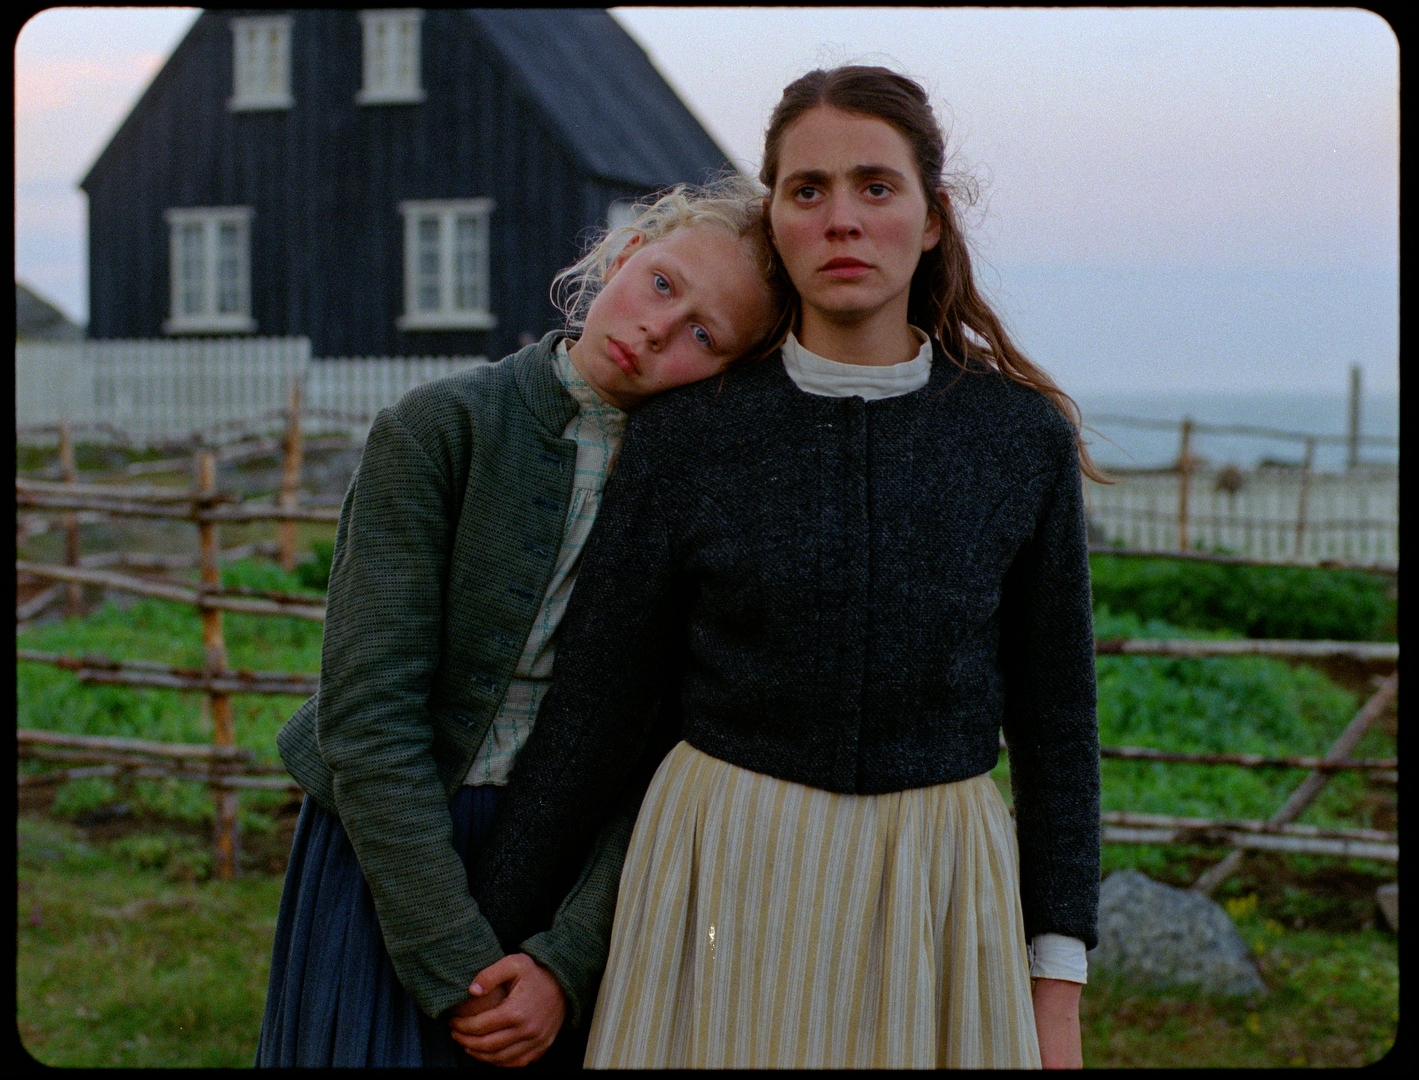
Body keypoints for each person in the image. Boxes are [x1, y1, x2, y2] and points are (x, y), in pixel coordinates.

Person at [471, 66, 1105, 1069]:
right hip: (718, 867)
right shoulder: (689, 438)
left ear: (933, 218)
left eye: (875, 187)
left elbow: (1058, 727)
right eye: (808, 191)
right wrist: (494, 944)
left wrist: (1056, 995)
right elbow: (596, 709)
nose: (841, 219)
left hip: (937, 883)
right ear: (776, 221)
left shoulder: (1016, 439)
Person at [254, 176, 786, 1069]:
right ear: (619, 257)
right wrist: (458, 961)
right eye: (661, 283)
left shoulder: (706, 500)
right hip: (385, 846)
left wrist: (566, 962)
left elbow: (670, 750)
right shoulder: (439, 429)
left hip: (563, 871)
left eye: (705, 335)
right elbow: (368, 714)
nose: (658, 328)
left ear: (732, 373)